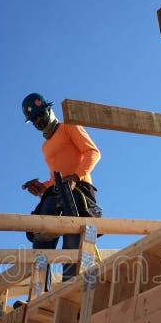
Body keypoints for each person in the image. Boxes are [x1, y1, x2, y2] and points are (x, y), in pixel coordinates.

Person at [21, 92, 101, 280]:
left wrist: (76, 176)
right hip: (58, 193)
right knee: (41, 240)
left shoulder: (69, 127)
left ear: (49, 110)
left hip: (79, 191)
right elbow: (55, 178)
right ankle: (41, 288)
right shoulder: (45, 147)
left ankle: (70, 286)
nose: (37, 121)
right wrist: (41, 187)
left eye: (40, 115)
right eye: (33, 120)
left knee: (72, 243)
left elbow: (93, 152)